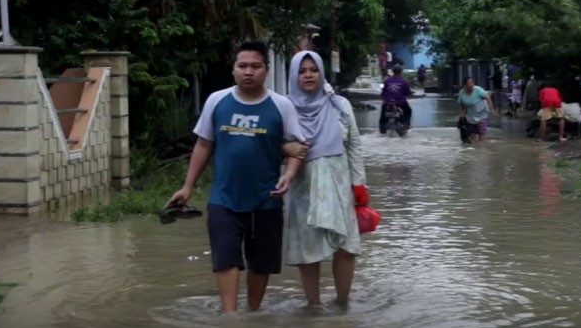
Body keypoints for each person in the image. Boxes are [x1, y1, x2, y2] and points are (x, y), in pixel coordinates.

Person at [166, 41, 305, 313]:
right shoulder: (217, 101)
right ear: (233, 70)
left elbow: (298, 148)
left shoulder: (282, 106)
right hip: (223, 198)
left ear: (266, 70)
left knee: (261, 264)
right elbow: (204, 144)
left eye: (255, 66)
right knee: (225, 259)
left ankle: (252, 313)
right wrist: (187, 187)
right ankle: (230, 317)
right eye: (242, 66)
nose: (248, 71)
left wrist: (288, 176)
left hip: (267, 199)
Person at [282, 51, 368, 307]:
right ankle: (314, 306)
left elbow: (354, 146)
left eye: (313, 70)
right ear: (294, 75)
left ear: (321, 73)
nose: (308, 75)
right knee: (307, 249)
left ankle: (342, 303)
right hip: (303, 186)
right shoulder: (284, 108)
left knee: (346, 247)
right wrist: (285, 148)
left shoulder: (339, 105)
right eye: (302, 71)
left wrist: (359, 184)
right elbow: (270, 144)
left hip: (339, 184)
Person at [457, 76, 497, 142]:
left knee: (481, 134)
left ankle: (481, 147)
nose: (471, 85)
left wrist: (492, 109)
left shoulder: (478, 90)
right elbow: (460, 104)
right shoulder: (461, 93)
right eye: (469, 83)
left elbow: (488, 97)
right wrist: (461, 115)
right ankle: (474, 147)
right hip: (470, 116)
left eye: (472, 82)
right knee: (472, 137)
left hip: (482, 115)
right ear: (464, 85)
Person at [379, 64, 413, 134]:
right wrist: (409, 93)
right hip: (399, 102)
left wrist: (385, 97)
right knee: (408, 110)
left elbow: (383, 92)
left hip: (387, 102)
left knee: (383, 113)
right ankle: (406, 124)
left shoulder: (387, 80)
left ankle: (382, 127)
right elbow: (407, 93)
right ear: (401, 71)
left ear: (393, 71)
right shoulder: (404, 81)